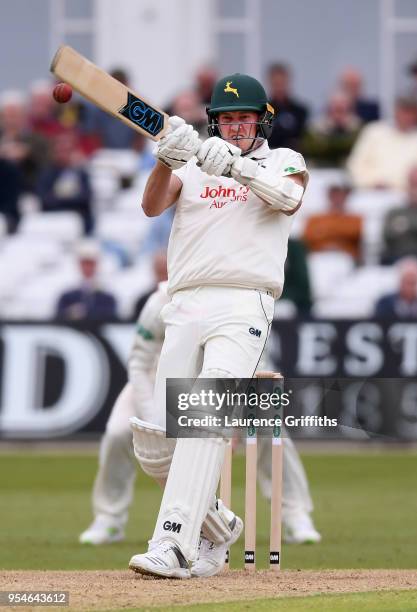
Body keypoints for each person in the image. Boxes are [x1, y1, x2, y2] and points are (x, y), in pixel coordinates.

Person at [128, 72, 309, 578]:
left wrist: (237, 169)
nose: (233, 127)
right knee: (159, 441)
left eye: (243, 118)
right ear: (214, 121)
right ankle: (218, 525)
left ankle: (173, 544)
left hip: (244, 302)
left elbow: (289, 199)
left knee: (204, 417)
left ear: (262, 121)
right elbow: (151, 205)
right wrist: (167, 157)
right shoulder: (194, 162)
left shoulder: (283, 161)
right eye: (225, 119)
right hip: (184, 302)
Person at [79, 284, 320, 549]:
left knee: (270, 429)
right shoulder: (160, 299)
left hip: (220, 384)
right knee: (118, 432)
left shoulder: (242, 302)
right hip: (155, 380)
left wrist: (237, 423)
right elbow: (138, 363)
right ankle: (109, 518)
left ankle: (295, 514)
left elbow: (252, 368)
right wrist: (157, 418)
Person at [346, 96, 417, 191]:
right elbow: (354, 165)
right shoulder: (373, 131)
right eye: (404, 111)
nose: (407, 116)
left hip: (405, 197)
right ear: (396, 111)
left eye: (411, 112)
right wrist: (372, 183)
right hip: (369, 193)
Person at [37, 131, 93, 234]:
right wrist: (70, 198)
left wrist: (59, 197)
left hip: (79, 221)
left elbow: (85, 198)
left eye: (66, 150)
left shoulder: (81, 173)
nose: (63, 154)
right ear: (53, 152)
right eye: (59, 150)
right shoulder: (46, 174)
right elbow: (44, 199)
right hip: (52, 221)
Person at [56, 240, 117, 321]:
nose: (88, 267)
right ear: (79, 265)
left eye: (91, 263)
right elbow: (59, 315)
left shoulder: (107, 298)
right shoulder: (67, 296)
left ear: (96, 265)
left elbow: (110, 314)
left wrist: (85, 311)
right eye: (85, 263)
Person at [303, 182, 362, 260]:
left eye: (340, 196)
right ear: (329, 197)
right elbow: (307, 238)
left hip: (346, 257)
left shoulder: (355, 219)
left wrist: (324, 233)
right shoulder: (315, 219)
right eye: (334, 195)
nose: (337, 199)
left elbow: (355, 234)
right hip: (319, 256)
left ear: (345, 197)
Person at [302, 91, 362, 166]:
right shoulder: (315, 128)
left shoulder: (358, 128)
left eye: (342, 110)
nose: (339, 115)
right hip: (321, 168)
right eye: (336, 110)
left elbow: (358, 149)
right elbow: (312, 149)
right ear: (328, 109)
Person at [266, 63, 309, 151]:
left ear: (288, 82)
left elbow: (303, 139)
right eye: (276, 83)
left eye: (282, 83)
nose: (279, 87)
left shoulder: (300, 111)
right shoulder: (263, 111)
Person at [381, 166, 417, 263]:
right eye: (412, 184)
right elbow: (387, 235)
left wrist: (405, 225)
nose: (415, 189)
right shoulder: (394, 211)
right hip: (396, 259)